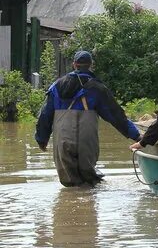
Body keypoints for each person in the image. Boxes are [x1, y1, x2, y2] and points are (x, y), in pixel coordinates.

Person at [35, 50, 141, 187]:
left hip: (63, 139)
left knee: (70, 184)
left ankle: (69, 204)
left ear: (74, 65)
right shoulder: (97, 88)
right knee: (89, 183)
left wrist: (41, 139)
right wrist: (137, 136)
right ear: (91, 65)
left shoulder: (57, 86)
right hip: (87, 139)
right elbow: (116, 117)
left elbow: (45, 115)